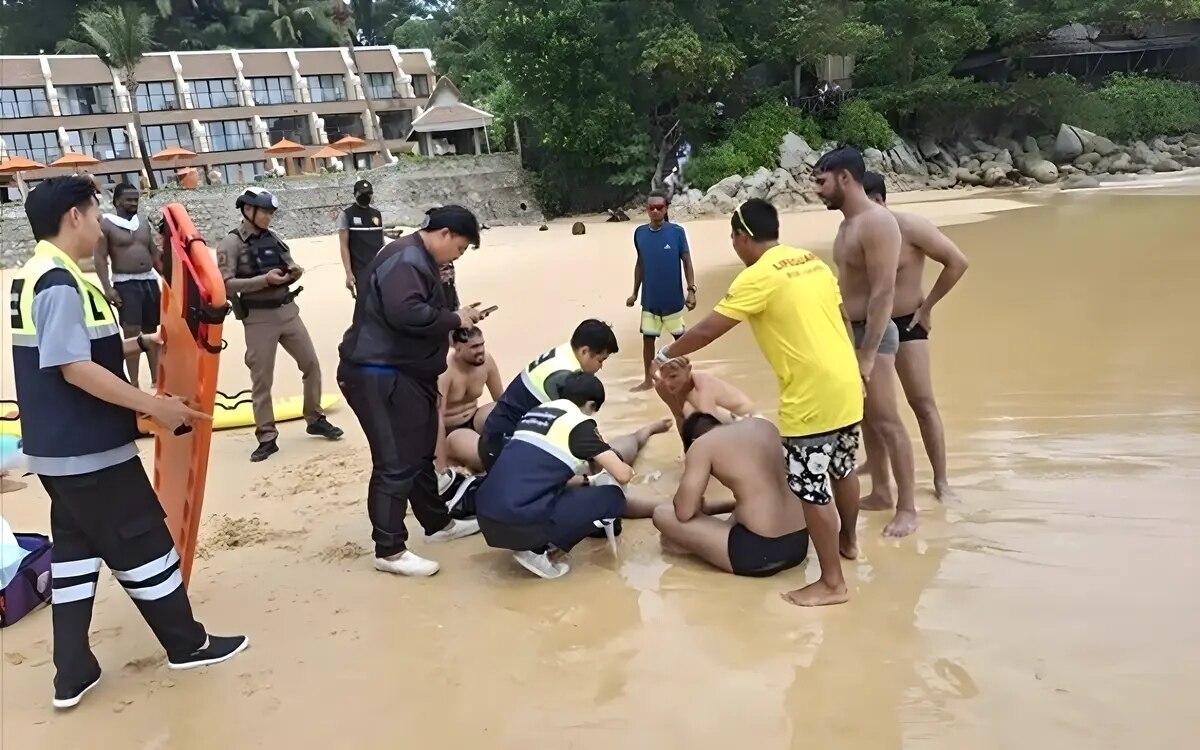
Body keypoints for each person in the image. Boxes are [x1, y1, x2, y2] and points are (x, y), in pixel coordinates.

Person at [11, 177, 247, 711]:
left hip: (58, 452)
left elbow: (67, 347)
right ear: (75, 216)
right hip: (90, 449)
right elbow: (72, 367)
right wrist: (152, 405)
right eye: (94, 212)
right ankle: (189, 645)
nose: (99, 223)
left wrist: (139, 342)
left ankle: (72, 673)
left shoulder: (38, 274)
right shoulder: (58, 281)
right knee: (144, 543)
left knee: (74, 555)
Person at [652, 198, 863, 607]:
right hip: (846, 383)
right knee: (843, 468)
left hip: (810, 395)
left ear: (743, 236)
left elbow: (711, 328)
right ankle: (848, 542)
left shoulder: (758, 275)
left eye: (733, 237)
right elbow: (842, 317)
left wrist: (665, 355)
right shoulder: (811, 262)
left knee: (810, 487)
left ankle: (832, 584)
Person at [338, 205, 489, 578]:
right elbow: (405, 313)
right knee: (394, 461)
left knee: (421, 451)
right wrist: (455, 318)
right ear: (446, 235)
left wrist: (460, 315)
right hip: (379, 373)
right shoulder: (406, 260)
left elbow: (424, 313)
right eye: (460, 249)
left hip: (409, 373)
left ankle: (438, 525)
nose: (458, 256)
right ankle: (388, 549)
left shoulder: (420, 259)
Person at [813, 148, 917, 538]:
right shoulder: (847, 225)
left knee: (888, 420)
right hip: (847, 334)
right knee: (868, 419)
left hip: (873, 336)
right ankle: (881, 491)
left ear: (844, 177)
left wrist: (868, 355)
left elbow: (883, 293)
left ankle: (908, 508)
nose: (816, 190)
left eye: (821, 181)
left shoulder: (877, 223)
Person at [216, 187, 343, 462]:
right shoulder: (231, 243)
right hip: (259, 319)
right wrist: (264, 281)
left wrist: (294, 272)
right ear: (248, 210)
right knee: (262, 379)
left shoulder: (273, 238)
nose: (269, 218)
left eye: (271, 213)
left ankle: (315, 417)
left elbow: (289, 264)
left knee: (311, 364)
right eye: (264, 212)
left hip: (288, 311)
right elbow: (225, 285)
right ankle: (267, 435)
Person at [862, 172, 968, 501]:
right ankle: (878, 477)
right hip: (869, 326)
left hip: (908, 321)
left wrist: (928, 307)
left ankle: (941, 482)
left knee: (922, 402)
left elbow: (957, 262)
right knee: (868, 407)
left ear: (882, 200)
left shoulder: (910, 228)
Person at [474, 372, 634, 579]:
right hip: (517, 519)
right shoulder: (579, 425)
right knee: (613, 497)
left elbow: (540, 472)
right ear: (590, 404)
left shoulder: (537, 413)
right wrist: (629, 470)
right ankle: (537, 550)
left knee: (566, 492)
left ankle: (531, 542)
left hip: (487, 515)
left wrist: (586, 481)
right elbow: (621, 475)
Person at [652, 413, 808, 577]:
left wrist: (696, 503)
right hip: (799, 543)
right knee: (745, 504)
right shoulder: (764, 425)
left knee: (662, 513)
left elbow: (684, 512)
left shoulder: (702, 445)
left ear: (692, 441)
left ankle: (697, 550)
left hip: (760, 554)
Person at [478, 319, 619, 472]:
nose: (601, 367)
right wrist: (605, 456)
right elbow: (579, 428)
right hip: (502, 447)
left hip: (496, 432)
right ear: (584, 351)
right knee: (581, 471)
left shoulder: (564, 352)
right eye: (600, 360)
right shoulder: (566, 377)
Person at [626, 191, 696, 391]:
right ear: (646, 210)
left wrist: (691, 290)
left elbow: (687, 261)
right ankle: (649, 381)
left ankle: (686, 380)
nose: (655, 211)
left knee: (681, 341)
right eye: (651, 208)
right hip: (650, 300)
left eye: (660, 208)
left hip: (673, 300)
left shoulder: (676, 232)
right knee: (648, 341)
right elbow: (640, 264)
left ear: (666, 210)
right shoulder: (639, 233)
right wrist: (634, 293)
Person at [93, 183, 161, 389]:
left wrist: (168, 278)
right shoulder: (106, 223)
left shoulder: (142, 222)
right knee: (131, 332)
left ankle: (157, 379)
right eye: (129, 199)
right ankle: (133, 382)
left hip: (149, 281)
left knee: (152, 331)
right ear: (117, 201)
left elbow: (154, 254)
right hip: (125, 283)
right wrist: (108, 288)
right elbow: (100, 258)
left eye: (136, 199)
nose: (134, 203)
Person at [436, 326, 504, 474]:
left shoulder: (486, 361)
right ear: (458, 349)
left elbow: (502, 401)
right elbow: (437, 419)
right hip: (451, 431)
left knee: (500, 411)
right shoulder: (445, 370)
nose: (481, 350)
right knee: (487, 459)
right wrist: (440, 467)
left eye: (482, 344)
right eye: (474, 347)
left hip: (473, 418)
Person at [653, 356, 756, 434]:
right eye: (664, 377)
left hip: (751, 423)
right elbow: (679, 418)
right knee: (688, 413)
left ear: (688, 369)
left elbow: (708, 424)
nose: (668, 383)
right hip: (720, 422)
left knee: (692, 411)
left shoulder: (702, 384)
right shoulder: (662, 387)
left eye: (673, 376)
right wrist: (687, 452)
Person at [337, 178, 385, 296]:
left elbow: (381, 241)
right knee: (365, 305)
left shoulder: (376, 214)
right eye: (362, 193)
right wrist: (348, 273)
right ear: (355, 194)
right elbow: (344, 246)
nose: (366, 196)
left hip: (380, 267)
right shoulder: (346, 215)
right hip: (360, 270)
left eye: (368, 193)